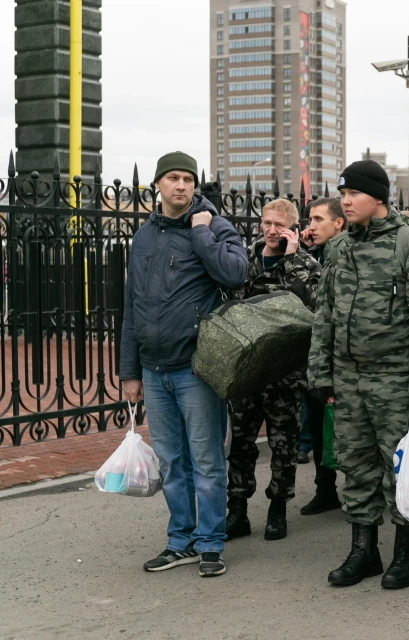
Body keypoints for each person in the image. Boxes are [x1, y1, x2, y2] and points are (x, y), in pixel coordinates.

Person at [308, 160, 409, 590]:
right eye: (343, 193)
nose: (345, 202)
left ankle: (407, 555)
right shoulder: (338, 249)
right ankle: (363, 551)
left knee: (400, 467)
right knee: (356, 465)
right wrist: (320, 371)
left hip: (396, 378)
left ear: (380, 198)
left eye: (354, 194)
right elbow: (324, 315)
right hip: (349, 377)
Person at [120, 151, 247, 577]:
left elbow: (234, 275)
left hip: (196, 368)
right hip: (154, 370)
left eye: (188, 180)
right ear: (157, 184)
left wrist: (200, 234)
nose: (181, 186)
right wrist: (130, 371)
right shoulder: (144, 237)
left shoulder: (215, 226)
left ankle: (210, 543)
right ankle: (181, 540)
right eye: (172, 178)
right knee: (173, 461)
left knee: (207, 460)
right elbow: (131, 305)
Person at [225, 198, 323, 542]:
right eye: (266, 223)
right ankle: (236, 510)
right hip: (248, 371)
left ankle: (278, 509)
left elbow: (314, 304)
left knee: (284, 445)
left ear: (292, 228)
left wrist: (294, 257)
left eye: (278, 225)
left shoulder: (305, 263)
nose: (270, 230)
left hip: (285, 372)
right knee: (241, 443)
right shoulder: (245, 259)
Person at [299, 197, 347, 516]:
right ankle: (325, 489)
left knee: (348, 428)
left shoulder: (344, 255)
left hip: (341, 358)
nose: (310, 226)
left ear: (338, 223)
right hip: (318, 357)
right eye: (309, 220)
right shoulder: (317, 255)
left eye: (318, 220)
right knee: (318, 425)